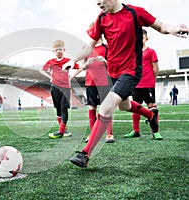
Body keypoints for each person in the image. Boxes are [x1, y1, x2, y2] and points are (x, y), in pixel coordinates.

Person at [64, 0, 188, 168]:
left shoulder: (135, 13)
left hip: (131, 71)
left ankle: (85, 154)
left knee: (106, 107)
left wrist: (172, 28)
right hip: (113, 72)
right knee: (124, 106)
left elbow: (160, 25)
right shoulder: (101, 18)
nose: (98, 3)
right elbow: (89, 45)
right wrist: (73, 60)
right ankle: (151, 115)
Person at [73, 26, 114, 143]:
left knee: (106, 108)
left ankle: (109, 134)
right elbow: (82, 66)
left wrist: (105, 62)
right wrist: (87, 63)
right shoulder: (86, 49)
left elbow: (113, 65)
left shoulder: (107, 48)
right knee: (92, 107)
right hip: (90, 82)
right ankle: (93, 134)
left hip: (104, 82)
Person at [124, 29, 163, 140]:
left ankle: (155, 131)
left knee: (152, 107)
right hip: (136, 85)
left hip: (148, 84)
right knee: (136, 107)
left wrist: (151, 80)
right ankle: (136, 131)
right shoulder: (133, 53)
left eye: (142, 38)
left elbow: (156, 68)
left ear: (146, 39)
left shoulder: (151, 52)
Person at [39, 40, 80, 138]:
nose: (58, 51)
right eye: (56, 50)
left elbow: (80, 67)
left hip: (65, 88)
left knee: (63, 108)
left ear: (64, 50)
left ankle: (61, 132)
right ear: (53, 51)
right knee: (58, 110)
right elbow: (41, 70)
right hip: (54, 87)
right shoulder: (51, 62)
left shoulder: (68, 61)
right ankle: (63, 130)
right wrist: (50, 77)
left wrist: (71, 77)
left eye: (60, 49)